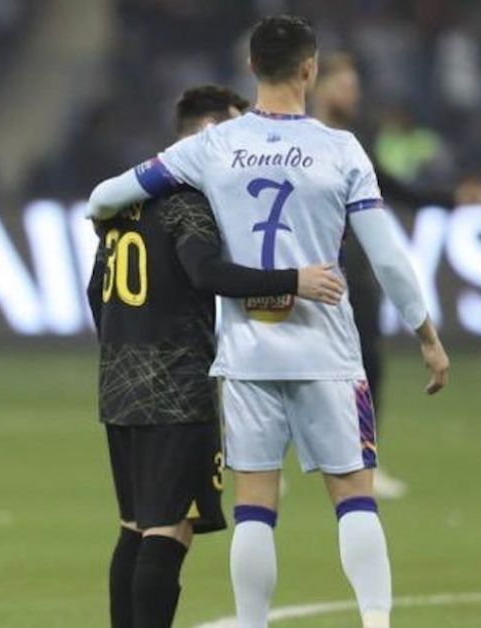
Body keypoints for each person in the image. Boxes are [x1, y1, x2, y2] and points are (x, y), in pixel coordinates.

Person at [86, 16, 450, 628]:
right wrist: (427, 336)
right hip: (328, 353)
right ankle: (377, 623)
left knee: (256, 508)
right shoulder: (341, 150)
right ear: (310, 69)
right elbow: (386, 254)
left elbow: (106, 195)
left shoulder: (210, 147)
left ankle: (251, 624)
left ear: (251, 68)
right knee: (354, 497)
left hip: (247, 356)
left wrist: (105, 218)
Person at [90, 85, 346, 628]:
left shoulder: (124, 202)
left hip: (118, 386)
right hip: (177, 390)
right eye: (234, 130)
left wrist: (122, 348)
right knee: (167, 531)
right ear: (209, 133)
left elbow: (97, 292)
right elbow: (206, 272)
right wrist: (293, 280)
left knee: (133, 526)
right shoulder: (189, 200)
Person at [313, 53, 481, 499]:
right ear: (319, 85)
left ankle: (361, 458)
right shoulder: (305, 137)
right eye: (345, 86)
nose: (353, 95)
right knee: (305, 362)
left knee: (365, 361)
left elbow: (392, 187)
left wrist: (452, 198)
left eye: (356, 86)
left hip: (347, 261)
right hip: (314, 264)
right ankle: (291, 462)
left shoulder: (353, 140)